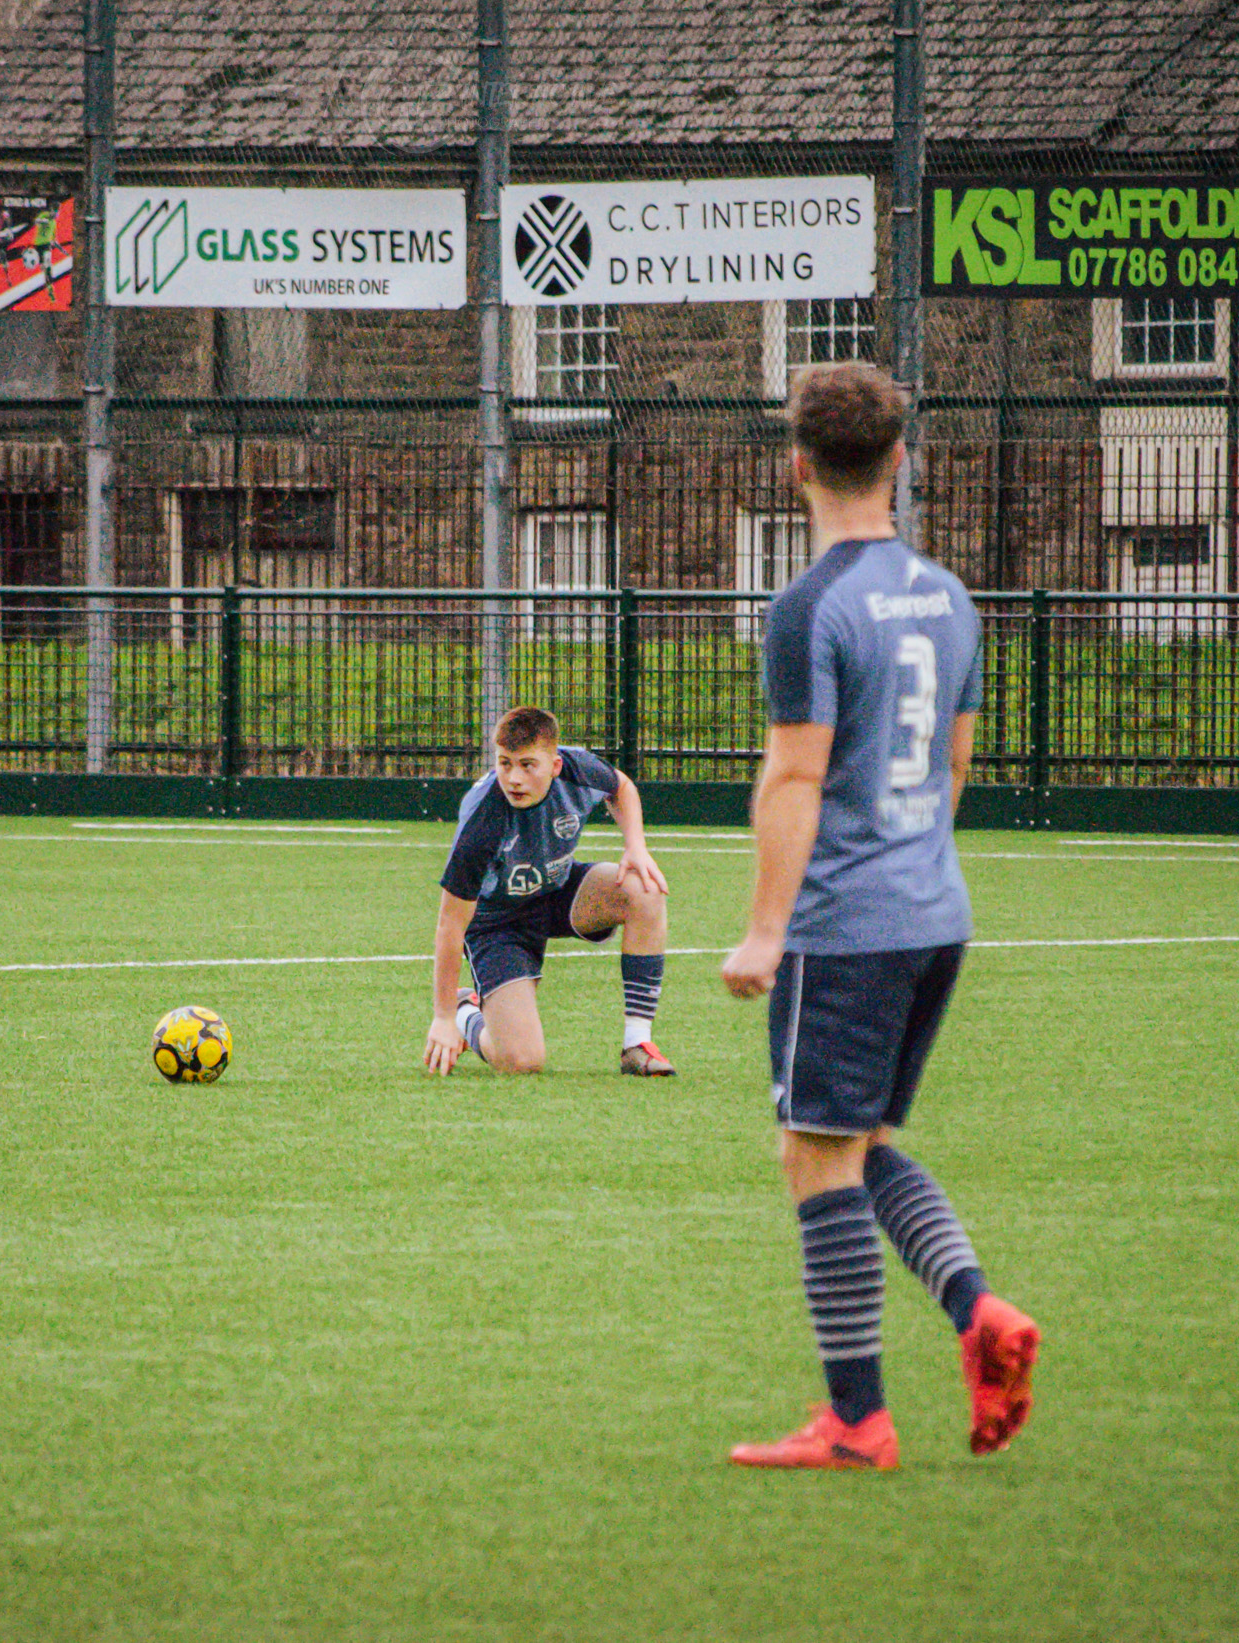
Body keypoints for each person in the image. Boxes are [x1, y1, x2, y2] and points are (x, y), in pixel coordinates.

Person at [719, 364, 1039, 1470]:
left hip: (846, 923)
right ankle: (980, 1314)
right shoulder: (947, 595)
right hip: (932, 910)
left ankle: (857, 1417)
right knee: (863, 1144)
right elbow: (955, 762)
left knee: (812, 1153)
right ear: (899, 459)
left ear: (796, 464)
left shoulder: (811, 604)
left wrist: (767, 928)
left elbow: (793, 778)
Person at [423, 706, 674, 1079]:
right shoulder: (482, 820)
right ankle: (466, 1012)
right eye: (504, 764)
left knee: (644, 888)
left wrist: (635, 846)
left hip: (556, 889)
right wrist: (443, 1017)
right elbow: (450, 924)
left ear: (555, 766)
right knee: (522, 1061)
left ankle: (637, 1045)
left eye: (527, 765)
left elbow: (621, 786)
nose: (514, 778)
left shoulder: (576, 768)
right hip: (498, 924)